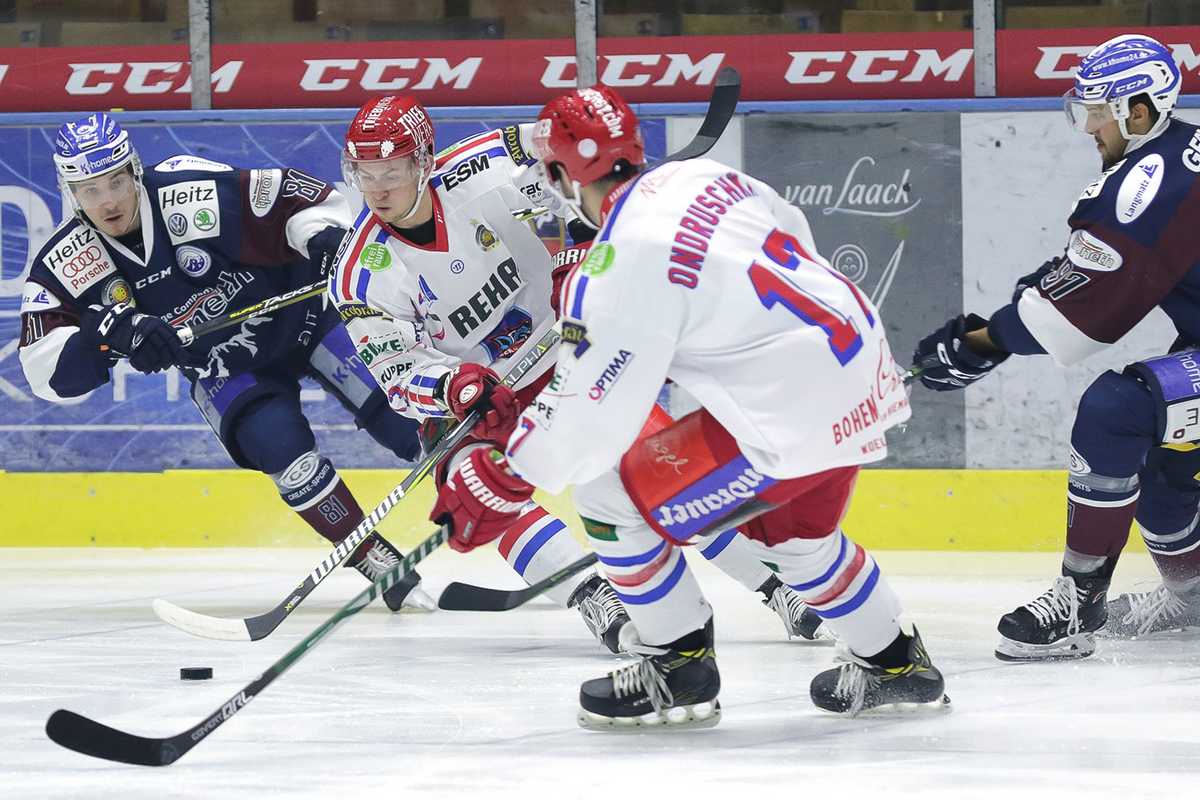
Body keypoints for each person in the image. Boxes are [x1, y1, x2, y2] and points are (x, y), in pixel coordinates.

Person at [427, 84, 947, 727]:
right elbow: (790, 238)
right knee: (798, 542)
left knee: (605, 489)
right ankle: (899, 665)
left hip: (784, 420)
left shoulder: (616, 266)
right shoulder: (704, 176)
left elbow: (595, 416)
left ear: (563, 174)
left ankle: (677, 665)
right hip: (859, 374)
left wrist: (509, 477)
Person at [329, 94, 830, 653]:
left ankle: (777, 588)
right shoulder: (358, 275)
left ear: (423, 160)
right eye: (364, 173)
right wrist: (451, 385)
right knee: (470, 484)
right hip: (479, 398)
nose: (377, 189)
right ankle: (596, 597)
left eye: (392, 171)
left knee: (656, 469)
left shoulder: (485, 165)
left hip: (568, 351)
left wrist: (583, 250)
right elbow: (395, 370)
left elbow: (574, 180)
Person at [18, 113, 431, 612]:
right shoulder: (68, 261)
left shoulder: (190, 193)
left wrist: (323, 237)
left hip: (306, 317)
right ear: (69, 192)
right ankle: (377, 561)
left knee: (410, 418)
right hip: (224, 368)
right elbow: (45, 373)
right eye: (89, 189)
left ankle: (505, 514)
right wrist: (104, 338)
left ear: (135, 171)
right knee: (283, 453)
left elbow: (300, 197)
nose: (107, 200)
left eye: (116, 181)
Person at [910, 34, 1200, 659]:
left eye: (1099, 111)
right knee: (1163, 441)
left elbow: (1075, 320)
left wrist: (980, 345)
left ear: (1140, 112)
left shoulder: (1149, 183)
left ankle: (1081, 600)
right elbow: (1089, 271)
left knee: (1117, 410)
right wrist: (1016, 314)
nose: (1089, 126)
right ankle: (1195, 593)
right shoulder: (1181, 152)